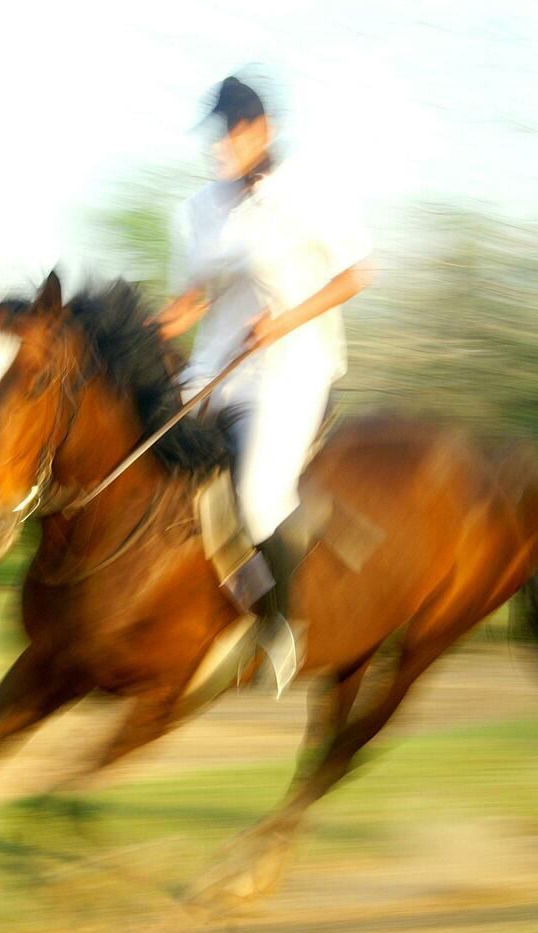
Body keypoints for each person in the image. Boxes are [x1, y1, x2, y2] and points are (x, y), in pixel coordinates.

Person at [154, 75, 376, 694]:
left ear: (263, 130)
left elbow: (359, 272)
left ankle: (281, 625)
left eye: (235, 130)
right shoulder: (198, 210)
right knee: (147, 457)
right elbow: (191, 302)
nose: (223, 143)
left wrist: (286, 321)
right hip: (215, 367)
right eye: (218, 133)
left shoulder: (307, 191)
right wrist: (150, 327)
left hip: (293, 367)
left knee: (256, 499)